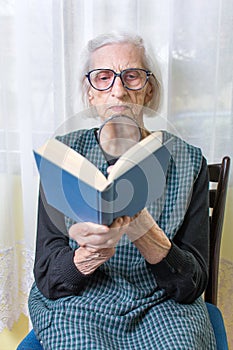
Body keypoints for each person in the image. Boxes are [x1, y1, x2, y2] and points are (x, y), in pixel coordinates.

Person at [28, 31, 216, 349]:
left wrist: (143, 229)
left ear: (149, 89)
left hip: (162, 305)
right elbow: (48, 277)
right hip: (82, 305)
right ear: (90, 93)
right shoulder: (62, 156)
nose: (118, 91)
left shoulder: (189, 160)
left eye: (131, 76)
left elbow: (191, 284)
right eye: (103, 78)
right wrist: (88, 256)